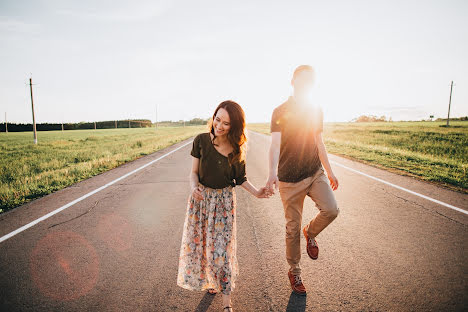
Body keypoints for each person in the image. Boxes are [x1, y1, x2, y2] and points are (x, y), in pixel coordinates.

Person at [177, 100, 271, 312]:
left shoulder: (237, 150)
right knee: (202, 250)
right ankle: (212, 281)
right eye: (217, 119)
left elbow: (241, 179)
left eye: (226, 123)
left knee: (221, 253)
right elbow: (193, 173)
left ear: (235, 126)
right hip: (201, 203)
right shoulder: (201, 141)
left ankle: (227, 304)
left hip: (223, 206)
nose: (219, 125)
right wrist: (194, 187)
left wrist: (258, 193)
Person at [266, 65, 340, 296]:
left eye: (311, 80)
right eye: (303, 79)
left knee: (331, 210)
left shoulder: (316, 109)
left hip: (313, 171)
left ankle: (311, 232)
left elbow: (319, 142)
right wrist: (271, 173)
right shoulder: (280, 111)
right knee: (292, 228)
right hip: (289, 179)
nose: (306, 83)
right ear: (293, 81)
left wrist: (329, 171)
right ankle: (295, 271)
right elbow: (275, 145)